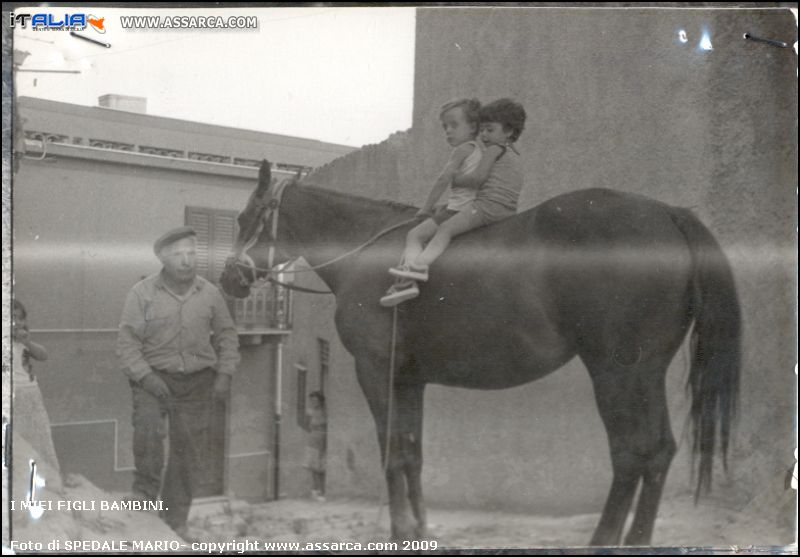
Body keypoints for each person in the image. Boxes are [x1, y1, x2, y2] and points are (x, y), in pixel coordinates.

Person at [116, 226, 240, 539]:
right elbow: (127, 344)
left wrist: (224, 374)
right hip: (152, 380)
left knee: (188, 452)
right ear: (163, 258)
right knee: (148, 432)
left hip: (198, 383)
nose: (186, 261)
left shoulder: (210, 293)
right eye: (177, 255)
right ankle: (144, 498)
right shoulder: (142, 293)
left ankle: (176, 521)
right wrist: (147, 377)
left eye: (191, 253)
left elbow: (227, 335)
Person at [381, 98, 527, 306]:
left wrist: (456, 179)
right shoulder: (513, 154)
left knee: (446, 229)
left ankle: (418, 267)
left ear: (509, 132)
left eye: (489, 130)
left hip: (487, 206)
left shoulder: (494, 150)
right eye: (483, 130)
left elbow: (478, 179)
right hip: (505, 209)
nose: (484, 135)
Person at [11, 300, 60, 471]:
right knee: (14, 441)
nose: (16, 322)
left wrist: (27, 342)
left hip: (31, 395)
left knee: (39, 438)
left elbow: (43, 355)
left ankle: (46, 479)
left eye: (19, 318)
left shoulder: (25, 342)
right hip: (11, 396)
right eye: (10, 317)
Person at [302, 391, 328, 502]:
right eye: (311, 400)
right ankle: (315, 490)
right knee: (313, 466)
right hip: (313, 439)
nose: (313, 402)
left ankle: (322, 491)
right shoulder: (310, 412)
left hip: (324, 439)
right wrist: (313, 432)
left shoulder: (325, 412)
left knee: (321, 467)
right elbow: (305, 425)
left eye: (315, 400)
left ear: (321, 401)